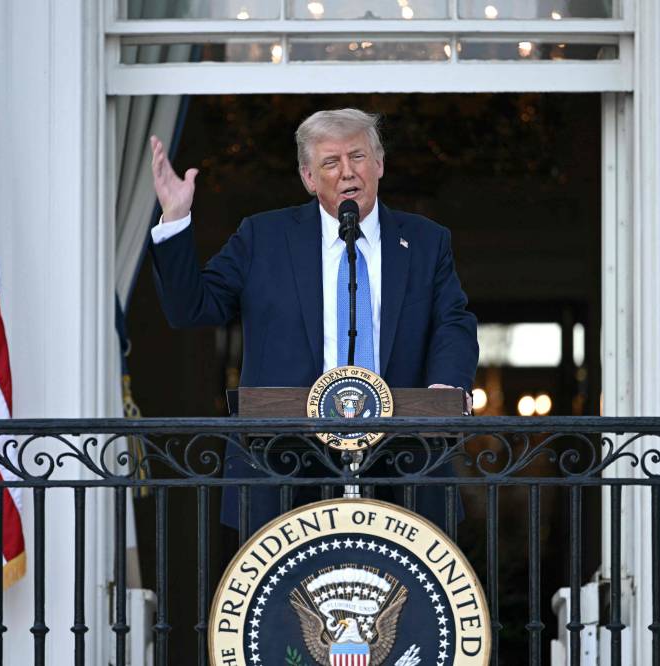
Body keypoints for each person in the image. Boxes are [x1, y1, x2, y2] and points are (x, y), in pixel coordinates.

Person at [148, 108, 478, 529]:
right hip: (282, 465)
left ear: (379, 164)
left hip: (402, 464)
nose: (347, 173)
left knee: (403, 594)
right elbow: (191, 309)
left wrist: (447, 386)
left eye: (357, 157)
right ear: (307, 177)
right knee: (286, 595)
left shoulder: (427, 240)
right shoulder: (262, 237)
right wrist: (175, 219)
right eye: (330, 162)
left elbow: (453, 321)